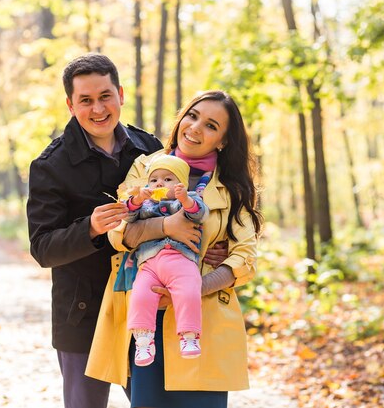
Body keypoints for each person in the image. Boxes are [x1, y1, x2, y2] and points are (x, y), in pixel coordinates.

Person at [26, 54, 225, 408]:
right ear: (71, 105)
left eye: (105, 96)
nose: (98, 108)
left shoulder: (149, 148)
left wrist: (210, 246)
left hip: (147, 306)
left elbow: (188, 206)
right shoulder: (50, 165)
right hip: (84, 313)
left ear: (120, 94)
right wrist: (88, 228)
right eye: (85, 100)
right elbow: (42, 248)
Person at [86, 90, 263, 408]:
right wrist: (165, 227)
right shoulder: (145, 168)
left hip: (204, 320)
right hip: (145, 316)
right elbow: (118, 232)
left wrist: (196, 286)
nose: (195, 128)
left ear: (222, 140)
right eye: (192, 116)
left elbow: (245, 257)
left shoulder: (232, 188)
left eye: (211, 125)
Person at [124, 154, 209, 366]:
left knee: (189, 290)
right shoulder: (145, 204)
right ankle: (143, 339)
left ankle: (189, 336)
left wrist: (185, 200)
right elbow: (128, 217)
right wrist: (136, 200)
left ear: (180, 183)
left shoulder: (188, 199)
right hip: (150, 262)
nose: (159, 183)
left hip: (180, 259)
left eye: (168, 179)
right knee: (140, 294)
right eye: (154, 180)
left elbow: (200, 214)